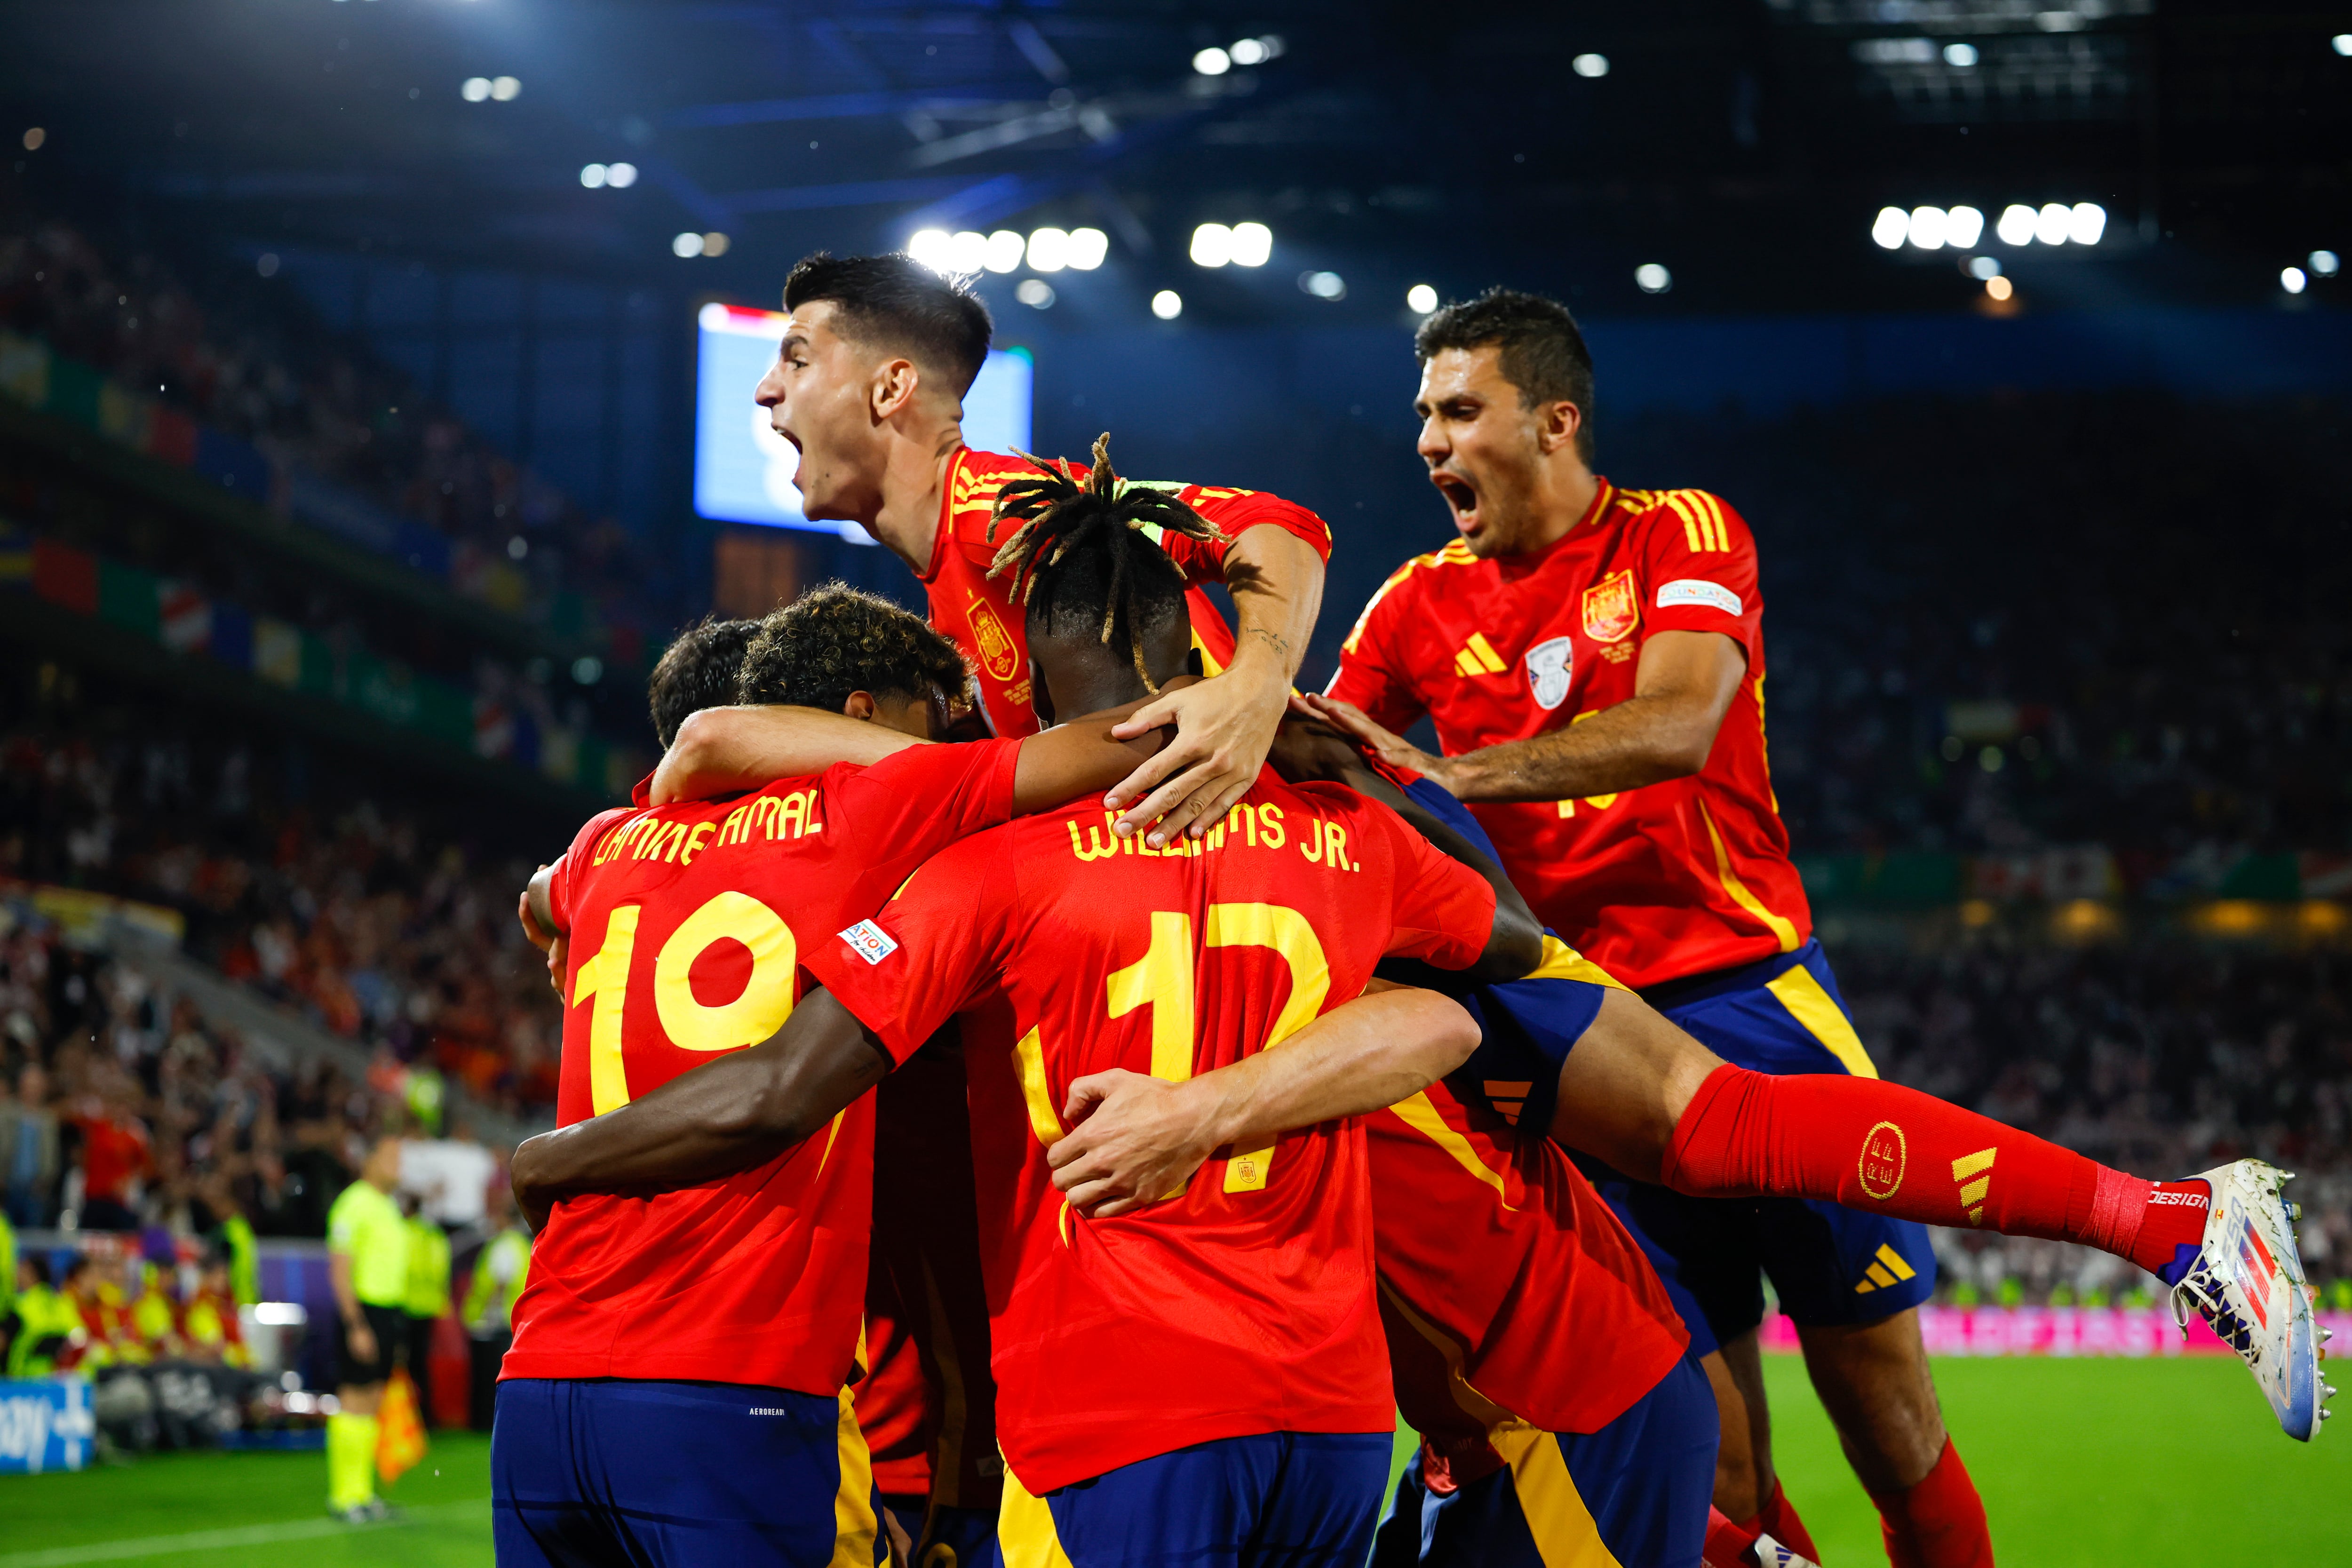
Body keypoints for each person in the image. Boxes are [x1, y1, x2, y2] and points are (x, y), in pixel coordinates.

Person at [1305, 286, 2302, 1562]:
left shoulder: (1677, 532)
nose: (1430, 442)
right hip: (1597, 1045)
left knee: (1890, 1426)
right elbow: (1332, 756)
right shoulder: (1409, 605)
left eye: (1459, 411)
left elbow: (1677, 725)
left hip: (1749, 992)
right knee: (1710, 1470)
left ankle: (2186, 1221)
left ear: (1555, 421)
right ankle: (2169, 1221)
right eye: (1423, 415)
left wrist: (1457, 772)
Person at [515, 454, 1541, 1568]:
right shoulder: (1348, 834)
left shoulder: (982, 872)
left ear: (1039, 693)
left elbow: (778, 1079)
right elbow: (1511, 939)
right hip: (1331, 1411)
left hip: (1114, 1407)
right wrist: (1356, 765)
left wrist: (551, 1154)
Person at [493, 581, 1231, 1568]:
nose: (949, 739)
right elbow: (1121, 742)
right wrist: (1263, 690)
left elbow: (543, 891)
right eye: (935, 721)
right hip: (733, 1377)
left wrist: (550, 917)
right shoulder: (869, 809)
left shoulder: (602, 843)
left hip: (542, 1380)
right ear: (856, 719)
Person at [669, 252, 1329, 845]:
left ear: (891, 389)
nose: (765, 390)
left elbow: (1276, 524)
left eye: (797, 358)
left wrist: (1255, 689)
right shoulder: (946, 585)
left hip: (1284, 848)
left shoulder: (998, 506)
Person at [325, 1135, 409, 1523]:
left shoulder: (389, 1207)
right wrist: (355, 1323)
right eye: (390, 1156)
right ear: (369, 1160)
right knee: (354, 1399)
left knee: (374, 1400)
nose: (397, 1165)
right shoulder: (352, 1203)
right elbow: (340, 1268)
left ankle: (363, 1492)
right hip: (363, 1309)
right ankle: (344, 1496)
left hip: (388, 1310)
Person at [461, 1187, 530, 1434]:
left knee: (485, 1379)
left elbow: (499, 1285)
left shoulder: (504, 1246)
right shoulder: (521, 1244)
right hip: (512, 1321)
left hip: (494, 1323)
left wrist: (487, 1314)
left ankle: (482, 1424)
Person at [400, 1191, 452, 1427]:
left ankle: (404, 1418)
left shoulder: (402, 1231)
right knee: (422, 1365)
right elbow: (441, 1268)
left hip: (403, 1305)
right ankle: (427, 1418)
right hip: (429, 1306)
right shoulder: (433, 1234)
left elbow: (399, 1267)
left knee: (403, 1365)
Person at [3, 1063, 60, 1227]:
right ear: (21, 1085)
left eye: (37, 1086)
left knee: (33, 1235)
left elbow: (53, 1156)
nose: (32, 1091)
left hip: (36, 1191)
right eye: (29, 1085)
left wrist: (47, 1180)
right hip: (9, 1188)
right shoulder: (7, 1113)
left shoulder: (48, 1119)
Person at [178, 1251, 251, 1369]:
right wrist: (241, 1361)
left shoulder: (226, 1304)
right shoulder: (200, 1307)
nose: (223, 1279)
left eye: (225, 1274)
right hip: (215, 1370)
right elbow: (217, 1347)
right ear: (206, 1276)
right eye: (218, 1274)